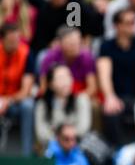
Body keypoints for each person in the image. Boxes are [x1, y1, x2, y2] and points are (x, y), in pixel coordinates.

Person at [97, 8, 135, 146]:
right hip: (117, 96)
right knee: (110, 112)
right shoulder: (106, 46)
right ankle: (117, 149)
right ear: (117, 26)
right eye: (128, 23)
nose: (132, 26)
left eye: (133, 22)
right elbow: (104, 74)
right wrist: (110, 96)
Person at [35, 64, 92, 147]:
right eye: (60, 78)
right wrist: (60, 140)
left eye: (68, 76)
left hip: (77, 147)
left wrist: (68, 138)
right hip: (51, 148)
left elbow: (83, 128)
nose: (66, 81)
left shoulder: (81, 99)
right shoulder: (42, 104)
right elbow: (41, 133)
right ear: (50, 84)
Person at [0, 23, 35, 156]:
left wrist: (6, 101)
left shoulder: (26, 54)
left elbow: (25, 91)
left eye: (17, 40)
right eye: (11, 41)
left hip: (15, 102)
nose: (15, 44)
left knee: (28, 106)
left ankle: (27, 155)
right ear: (2, 40)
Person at [40, 27, 97, 98]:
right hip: (56, 97)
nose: (77, 46)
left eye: (79, 42)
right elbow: (44, 87)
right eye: (72, 43)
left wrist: (74, 100)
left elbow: (92, 88)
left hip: (80, 96)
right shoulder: (50, 58)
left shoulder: (86, 57)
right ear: (61, 43)